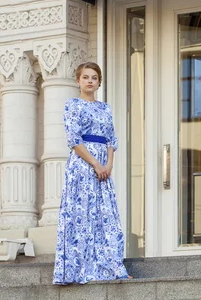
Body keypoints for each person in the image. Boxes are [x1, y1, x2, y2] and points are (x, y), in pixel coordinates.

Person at [53, 62, 130, 285]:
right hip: (82, 166)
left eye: (94, 77)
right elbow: (74, 139)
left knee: (105, 215)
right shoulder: (72, 105)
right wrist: (96, 164)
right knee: (82, 215)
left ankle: (110, 267)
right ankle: (78, 269)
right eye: (85, 77)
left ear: (99, 82)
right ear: (78, 80)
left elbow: (111, 140)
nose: (89, 81)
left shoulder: (105, 108)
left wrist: (108, 166)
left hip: (103, 170)